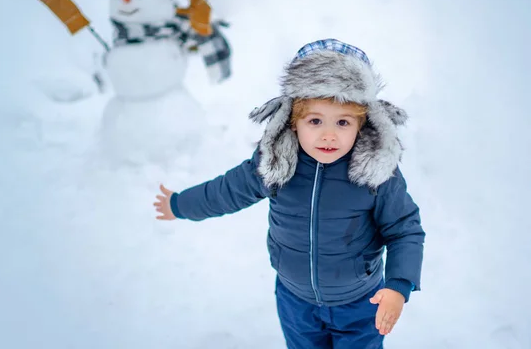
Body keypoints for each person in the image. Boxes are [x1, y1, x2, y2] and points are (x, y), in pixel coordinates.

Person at [154, 38, 425, 349]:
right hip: (295, 301)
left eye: (343, 122)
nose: (328, 134)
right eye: (315, 120)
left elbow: (405, 229)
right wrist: (180, 204)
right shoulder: (276, 163)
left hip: (361, 301)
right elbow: (226, 191)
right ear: (293, 122)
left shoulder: (376, 172)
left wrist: (398, 285)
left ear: (361, 124)